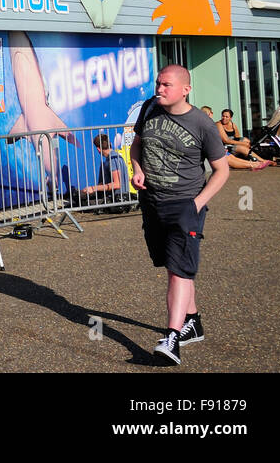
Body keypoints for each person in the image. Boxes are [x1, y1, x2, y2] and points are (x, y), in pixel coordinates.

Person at [130, 65, 230, 366]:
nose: (160, 89)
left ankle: (172, 338)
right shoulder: (149, 108)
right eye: (158, 83)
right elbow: (136, 144)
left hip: (185, 205)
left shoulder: (203, 124)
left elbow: (221, 170)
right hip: (152, 203)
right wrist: (137, 169)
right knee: (173, 266)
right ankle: (193, 322)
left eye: (167, 85)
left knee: (178, 270)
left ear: (185, 89)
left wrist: (197, 204)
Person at [79, 134, 124, 201]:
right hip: (116, 198)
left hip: (118, 200)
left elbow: (117, 184)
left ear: (98, 149)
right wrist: (91, 188)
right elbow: (107, 182)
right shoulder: (112, 158)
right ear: (110, 144)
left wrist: (94, 188)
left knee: (83, 202)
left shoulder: (113, 160)